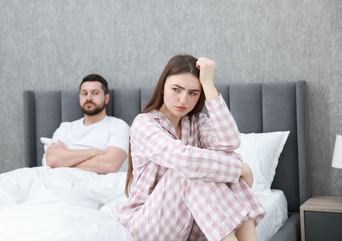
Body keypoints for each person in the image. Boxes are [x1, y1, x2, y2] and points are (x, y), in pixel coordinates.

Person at [118, 55, 265, 241]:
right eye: (176, 89)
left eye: (193, 93)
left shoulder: (197, 123)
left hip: (189, 221)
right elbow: (183, 159)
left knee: (215, 170)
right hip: (147, 224)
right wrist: (239, 168)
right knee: (188, 171)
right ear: (163, 87)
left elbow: (230, 142)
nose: (183, 100)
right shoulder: (144, 124)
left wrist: (208, 85)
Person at [42, 73, 129, 174]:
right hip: (58, 178)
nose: (88, 98)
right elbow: (52, 159)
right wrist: (93, 152)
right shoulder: (66, 128)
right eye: (84, 93)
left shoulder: (118, 126)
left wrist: (65, 161)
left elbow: (110, 165)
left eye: (95, 93)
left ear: (106, 99)